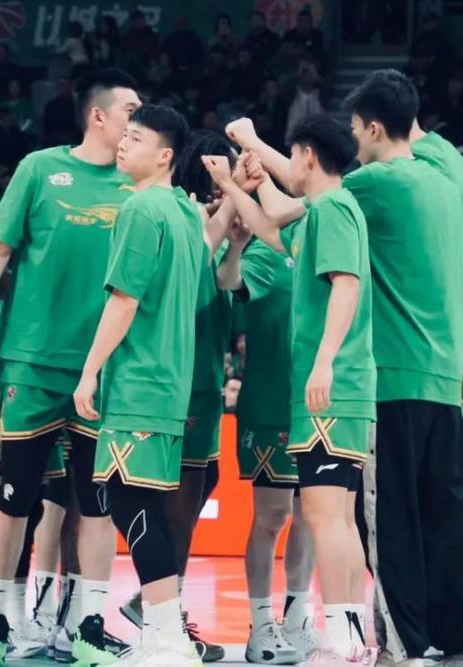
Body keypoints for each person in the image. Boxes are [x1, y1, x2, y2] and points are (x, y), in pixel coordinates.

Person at [226, 70, 463, 665]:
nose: (354, 141)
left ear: (376, 129)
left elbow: (301, 195)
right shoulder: (447, 169)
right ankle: (449, 636)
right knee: (444, 515)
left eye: (358, 129)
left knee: (387, 521)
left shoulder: (372, 184)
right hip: (449, 375)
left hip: (394, 372)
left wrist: (249, 143)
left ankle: (400, 644)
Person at [0, 68, 141, 667]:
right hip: (32, 363)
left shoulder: (139, 186)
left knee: (96, 505)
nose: (138, 120)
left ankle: (87, 627)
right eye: (131, 110)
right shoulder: (38, 169)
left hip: (102, 370)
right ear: (98, 116)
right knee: (14, 497)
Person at [204, 112, 375, 664]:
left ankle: (341, 638)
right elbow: (274, 222)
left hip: (330, 388)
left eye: (293, 154)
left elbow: (345, 284)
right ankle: (346, 636)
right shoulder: (323, 211)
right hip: (321, 395)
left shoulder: (332, 208)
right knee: (336, 519)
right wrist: (235, 183)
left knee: (324, 519)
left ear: (306, 156)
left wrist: (323, 363)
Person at [73, 103, 204, 667]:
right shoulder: (183, 213)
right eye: (123, 135)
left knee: (132, 507)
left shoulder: (142, 209)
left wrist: (90, 370)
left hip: (139, 382)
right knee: (141, 506)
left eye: (136, 138)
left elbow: (124, 300)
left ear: (165, 155)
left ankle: (167, 640)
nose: (123, 144)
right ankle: (166, 637)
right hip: (170, 381)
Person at [118, 130, 235, 664]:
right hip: (177, 380)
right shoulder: (182, 217)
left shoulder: (214, 226)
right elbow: (200, 250)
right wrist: (233, 197)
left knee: (201, 483)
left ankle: (157, 607)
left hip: (205, 376)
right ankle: (164, 616)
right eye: (221, 171)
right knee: (176, 501)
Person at [214, 150, 318, 664]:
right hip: (271, 405)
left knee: (314, 515)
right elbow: (228, 281)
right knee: (273, 516)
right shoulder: (264, 251)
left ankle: (298, 617)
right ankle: (261, 626)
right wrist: (235, 248)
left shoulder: (323, 240)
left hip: (319, 404)